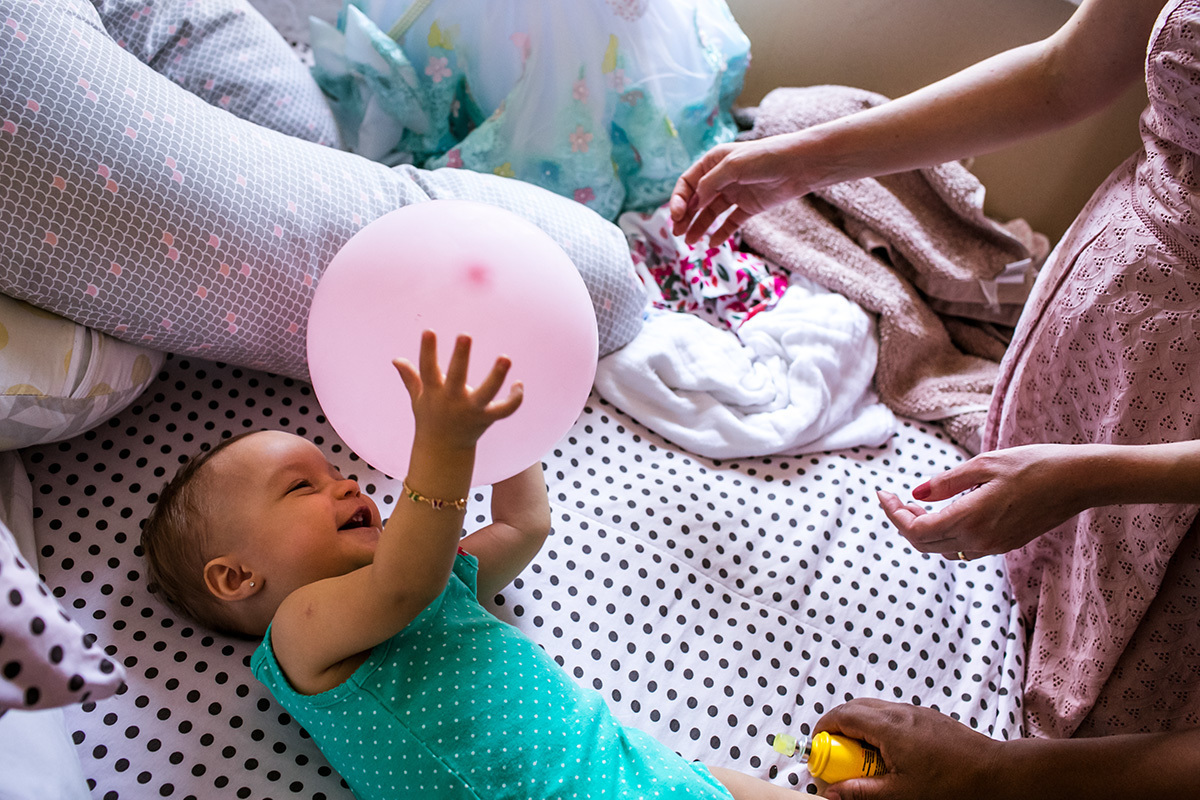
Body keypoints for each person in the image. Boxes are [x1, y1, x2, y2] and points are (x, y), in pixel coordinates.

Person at [672, 0, 1200, 796]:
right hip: (1116, 314)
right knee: (1053, 568)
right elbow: (1065, 71)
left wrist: (993, 774)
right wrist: (803, 161)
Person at [140, 329, 801, 799]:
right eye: (300, 487)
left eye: (339, 472)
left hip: (637, 767)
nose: (348, 486)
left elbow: (523, 525)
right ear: (236, 577)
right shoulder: (298, 633)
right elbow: (402, 583)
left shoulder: (439, 584)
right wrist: (443, 446)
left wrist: (507, 425)